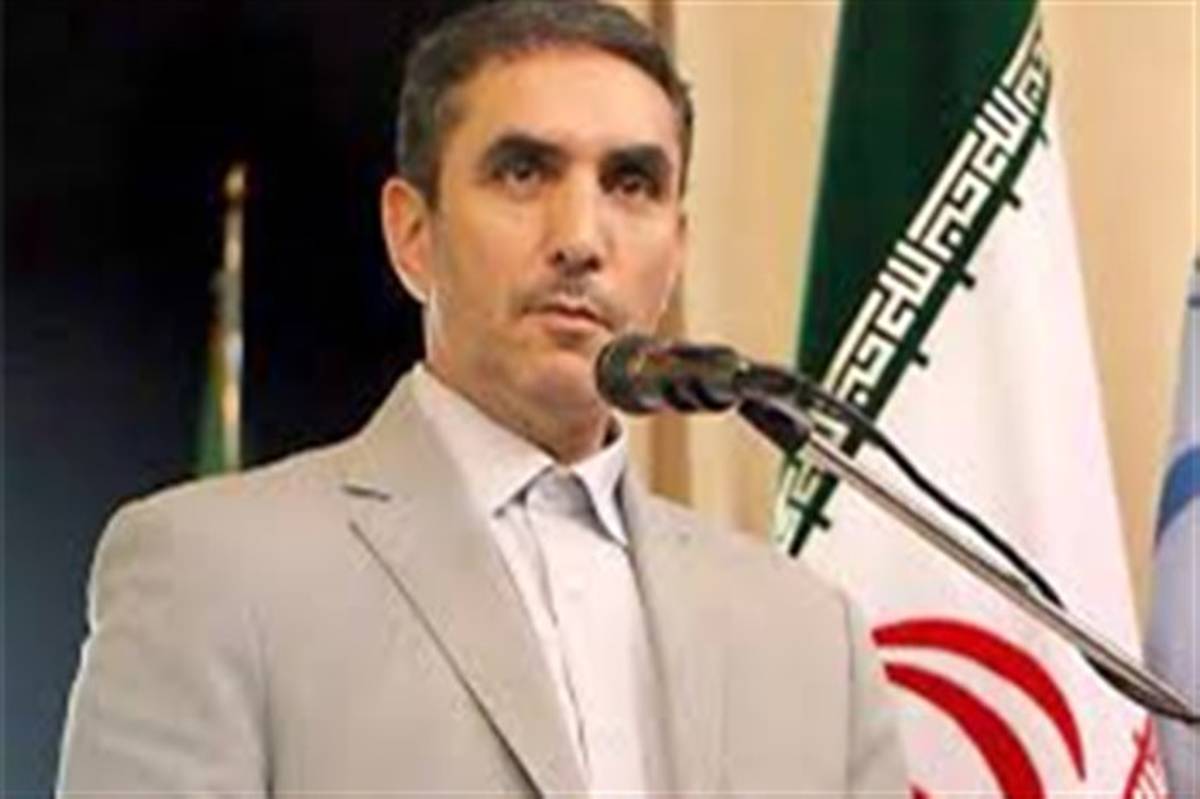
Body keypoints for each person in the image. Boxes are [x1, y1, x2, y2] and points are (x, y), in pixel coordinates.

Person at [57, 1, 907, 795]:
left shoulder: (810, 637)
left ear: (675, 251)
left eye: (631, 183)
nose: (580, 238)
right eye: (524, 172)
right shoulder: (213, 572)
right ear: (412, 233)